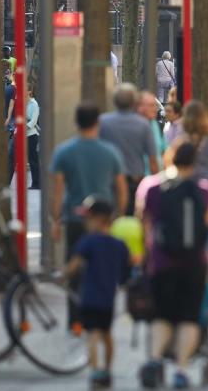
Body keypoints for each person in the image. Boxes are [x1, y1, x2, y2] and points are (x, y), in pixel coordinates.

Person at [138, 142, 208, 389]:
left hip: (162, 263)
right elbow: (207, 226)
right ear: (195, 161)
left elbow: (145, 223)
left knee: (161, 315)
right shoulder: (204, 190)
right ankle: (181, 370)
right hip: (194, 264)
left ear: (169, 157)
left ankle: (155, 359)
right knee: (188, 317)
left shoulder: (151, 187)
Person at [51, 104, 128, 329]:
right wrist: (118, 216)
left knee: (73, 268)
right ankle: (98, 319)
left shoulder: (64, 152)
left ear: (77, 122)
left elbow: (57, 192)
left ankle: (75, 320)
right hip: (103, 220)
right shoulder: (110, 152)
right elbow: (121, 189)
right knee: (101, 270)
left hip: (75, 219)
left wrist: (56, 220)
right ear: (98, 123)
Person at [63, 199, 130, 390]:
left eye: (89, 218)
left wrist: (63, 275)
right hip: (108, 299)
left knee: (92, 334)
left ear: (99, 219)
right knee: (107, 334)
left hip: (89, 297)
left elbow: (73, 266)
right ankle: (107, 370)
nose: (86, 222)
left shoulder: (88, 242)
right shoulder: (119, 245)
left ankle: (94, 371)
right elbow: (125, 273)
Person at [100, 84, 158, 216]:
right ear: (134, 103)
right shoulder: (143, 125)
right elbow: (152, 159)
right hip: (135, 180)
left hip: (110, 180)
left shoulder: (103, 122)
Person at [8, 87, 41, 189]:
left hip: (30, 135)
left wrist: (23, 128)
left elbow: (33, 121)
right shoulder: (20, 101)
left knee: (33, 159)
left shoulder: (34, 104)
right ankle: (6, 182)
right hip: (18, 134)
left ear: (30, 91)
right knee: (11, 156)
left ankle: (36, 184)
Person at [138, 91, 166, 173]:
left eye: (155, 106)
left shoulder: (155, 124)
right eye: (151, 106)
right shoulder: (134, 125)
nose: (155, 109)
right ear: (140, 107)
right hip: (142, 177)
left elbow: (163, 150)